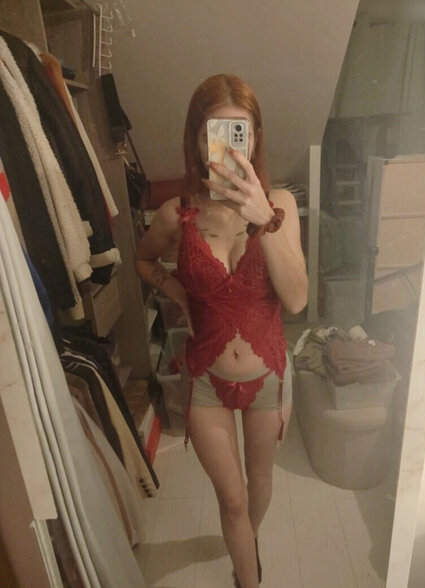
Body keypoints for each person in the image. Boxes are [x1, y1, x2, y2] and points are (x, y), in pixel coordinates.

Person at [135, 74, 308, 588]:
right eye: (216, 131)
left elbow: (297, 299)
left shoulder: (281, 205)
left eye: (241, 132)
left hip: (268, 375)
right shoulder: (178, 214)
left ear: (255, 139)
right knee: (230, 498)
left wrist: (264, 220)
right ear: (195, 138)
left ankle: (244, 547)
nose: (231, 146)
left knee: (259, 481)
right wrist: (180, 293)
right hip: (206, 378)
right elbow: (144, 260)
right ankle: (248, 576)